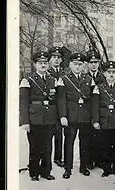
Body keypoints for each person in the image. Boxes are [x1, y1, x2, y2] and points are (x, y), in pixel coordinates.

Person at [19, 50, 62, 181]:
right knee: (35, 147)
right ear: (35, 64)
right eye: (40, 63)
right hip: (34, 119)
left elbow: (57, 100)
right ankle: (34, 173)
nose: (43, 65)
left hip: (49, 119)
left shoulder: (53, 80)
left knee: (48, 146)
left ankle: (46, 172)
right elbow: (24, 102)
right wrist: (25, 121)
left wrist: (58, 119)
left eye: (45, 62)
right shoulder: (28, 80)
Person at [57, 52, 96, 179]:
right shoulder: (64, 79)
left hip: (85, 116)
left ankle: (83, 167)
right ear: (70, 65)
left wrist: (92, 116)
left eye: (80, 65)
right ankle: (67, 168)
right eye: (75, 64)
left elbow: (92, 100)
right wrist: (63, 116)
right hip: (70, 116)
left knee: (85, 142)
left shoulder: (89, 79)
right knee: (69, 142)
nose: (78, 67)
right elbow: (61, 99)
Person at [85, 50, 104, 169]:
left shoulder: (103, 76)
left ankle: (99, 160)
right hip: (87, 110)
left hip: (100, 110)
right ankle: (89, 160)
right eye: (91, 62)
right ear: (87, 63)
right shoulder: (84, 76)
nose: (93, 64)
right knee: (88, 136)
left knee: (100, 136)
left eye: (96, 62)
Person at [47, 46, 65, 168]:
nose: (56, 60)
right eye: (54, 57)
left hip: (61, 108)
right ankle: (45, 159)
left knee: (59, 135)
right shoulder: (46, 72)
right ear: (50, 59)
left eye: (58, 57)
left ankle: (58, 158)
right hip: (49, 108)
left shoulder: (65, 73)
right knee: (47, 136)